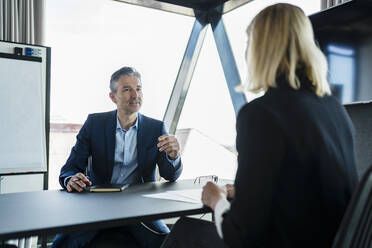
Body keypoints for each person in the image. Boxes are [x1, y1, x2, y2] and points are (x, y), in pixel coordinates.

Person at [161, 3, 358, 248]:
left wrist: (217, 200)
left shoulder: (261, 115)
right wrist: (244, 192)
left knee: (186, 230)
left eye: (249, 42)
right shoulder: (334, 109)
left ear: (260, 50)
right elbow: (304, 192)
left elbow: (240, 236)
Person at [52, 66, 183, 248]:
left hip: (140, 208)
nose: (135, 95)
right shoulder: (94, 124)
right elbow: (69, 169)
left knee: (168, 243)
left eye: (138, 88)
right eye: (127, 89)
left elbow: (170, 175)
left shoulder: (156, 128)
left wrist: (174, 156)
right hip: (99, 205)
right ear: (113, 97)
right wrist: (71, 179)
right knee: (63, 243)